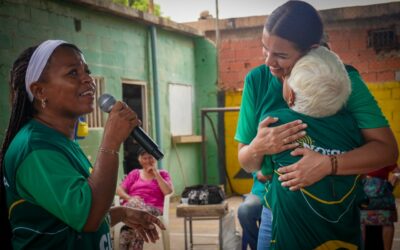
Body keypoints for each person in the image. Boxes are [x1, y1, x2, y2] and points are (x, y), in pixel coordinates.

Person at [234, 1, 398, 249]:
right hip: (276, 209)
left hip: (333, 209)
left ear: (311, 49)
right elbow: (247, 161)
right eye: (265, 49)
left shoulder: (342, 80)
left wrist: (327, 165)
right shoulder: (257, 81)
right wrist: (258, 147)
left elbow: (386, 150)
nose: (269, 62)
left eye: (281, 55)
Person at [0, 40, 165, 249]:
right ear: (40, 91)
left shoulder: (57, 140)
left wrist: (122, 213)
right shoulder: (35, 148)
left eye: (86, 71)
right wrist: (111, 142)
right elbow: (88, 217)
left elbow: (66, 220)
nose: (88, 79)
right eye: (73, 73)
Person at [266, 46, 364, 249]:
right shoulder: (354, 128)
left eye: (286, 77)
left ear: (291, 95)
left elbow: (264, 171)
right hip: (345, 242)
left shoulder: (278, 123)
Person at [116, 147, 173, 250]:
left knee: (137, 214)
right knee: (134, 212)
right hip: (132, 206)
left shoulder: (163, 174)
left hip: (152, 209)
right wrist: (130, 198)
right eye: (144, 158)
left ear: (155, 159)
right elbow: (119, 190)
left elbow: (168, 192)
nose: (148, 161)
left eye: (150, 158)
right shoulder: (134, 174)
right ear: (139, 159)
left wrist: (156, 173)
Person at [361, 164, 398, 250]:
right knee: (387, 222)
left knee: (361, 222)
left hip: (365, 195)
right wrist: (391, 186)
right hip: (383, 195)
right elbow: (397, 173)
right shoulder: (385, 156)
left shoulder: (360, 156)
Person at [238, 170, 267, 250]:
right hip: (259, 194)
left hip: (282, 194)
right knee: (244, 211)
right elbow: (261, 175)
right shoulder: (260, 157)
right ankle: (257, 246)